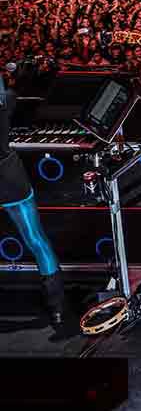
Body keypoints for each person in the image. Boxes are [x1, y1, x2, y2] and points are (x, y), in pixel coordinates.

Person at [0, 70, 65, 326]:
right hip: (8, 175)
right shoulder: (7, 99)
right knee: (35, 239)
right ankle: (57, 307)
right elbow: (10, 94)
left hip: (7, 176)